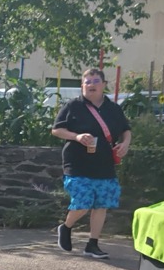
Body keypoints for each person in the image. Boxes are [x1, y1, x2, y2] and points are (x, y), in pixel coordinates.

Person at [51, 68, 132, 259]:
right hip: (77, 163)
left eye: (95, 81)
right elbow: (56, 130)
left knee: (101, 204)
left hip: (104, 163)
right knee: (83, 202)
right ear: (82, 86)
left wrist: (125, 144)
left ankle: (92, 244)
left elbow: (126, 130)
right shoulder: (73, 106)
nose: (91, 85)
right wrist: (77, 136)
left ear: (104, 85)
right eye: (87, 82)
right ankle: (66, 227)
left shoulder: (113, 109)